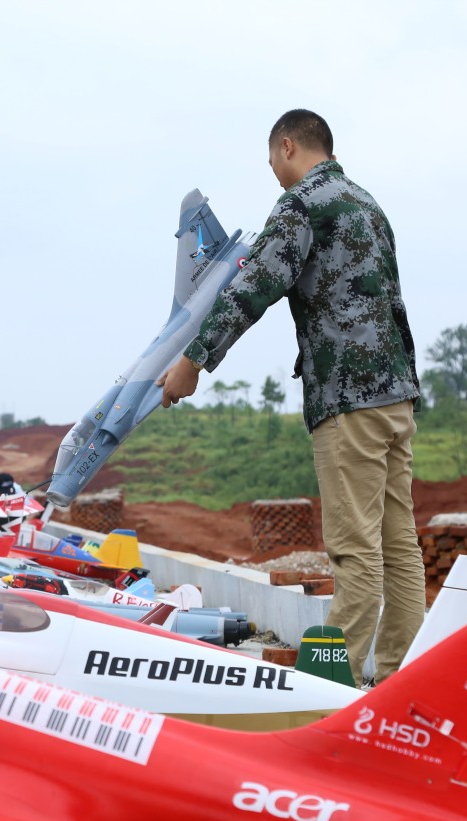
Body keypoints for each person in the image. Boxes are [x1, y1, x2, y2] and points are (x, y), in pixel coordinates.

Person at [157, 109, 424, 686]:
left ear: (287, 147)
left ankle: (330, 691)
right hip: (396, 397)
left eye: (273, 163)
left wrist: (195, 359)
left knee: (355, 552)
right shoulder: (369, 205)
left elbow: (257, 284)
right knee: (399, 546)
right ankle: (403, 684)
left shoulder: (305, 202)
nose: (275, 175)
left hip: (348, 401)